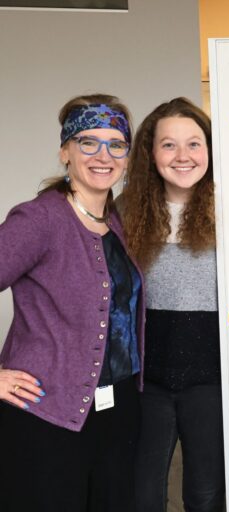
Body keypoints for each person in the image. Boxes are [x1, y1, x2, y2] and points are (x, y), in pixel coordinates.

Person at [0, 94, 143, 511]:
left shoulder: (117, 221)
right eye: (88, 142)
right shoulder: (39, 218)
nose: (104, 155)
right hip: (46, 414)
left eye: (116, 144)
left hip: (118, 411)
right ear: (65, 151)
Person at [119, 97, 224, 512]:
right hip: (146, 379)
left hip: (214, 379)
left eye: (194, 144)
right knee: (142, 494)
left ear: (210, 150)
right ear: (150, 152)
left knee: (206, 494)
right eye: (168, 145)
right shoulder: (124, 212)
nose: (183, 156)